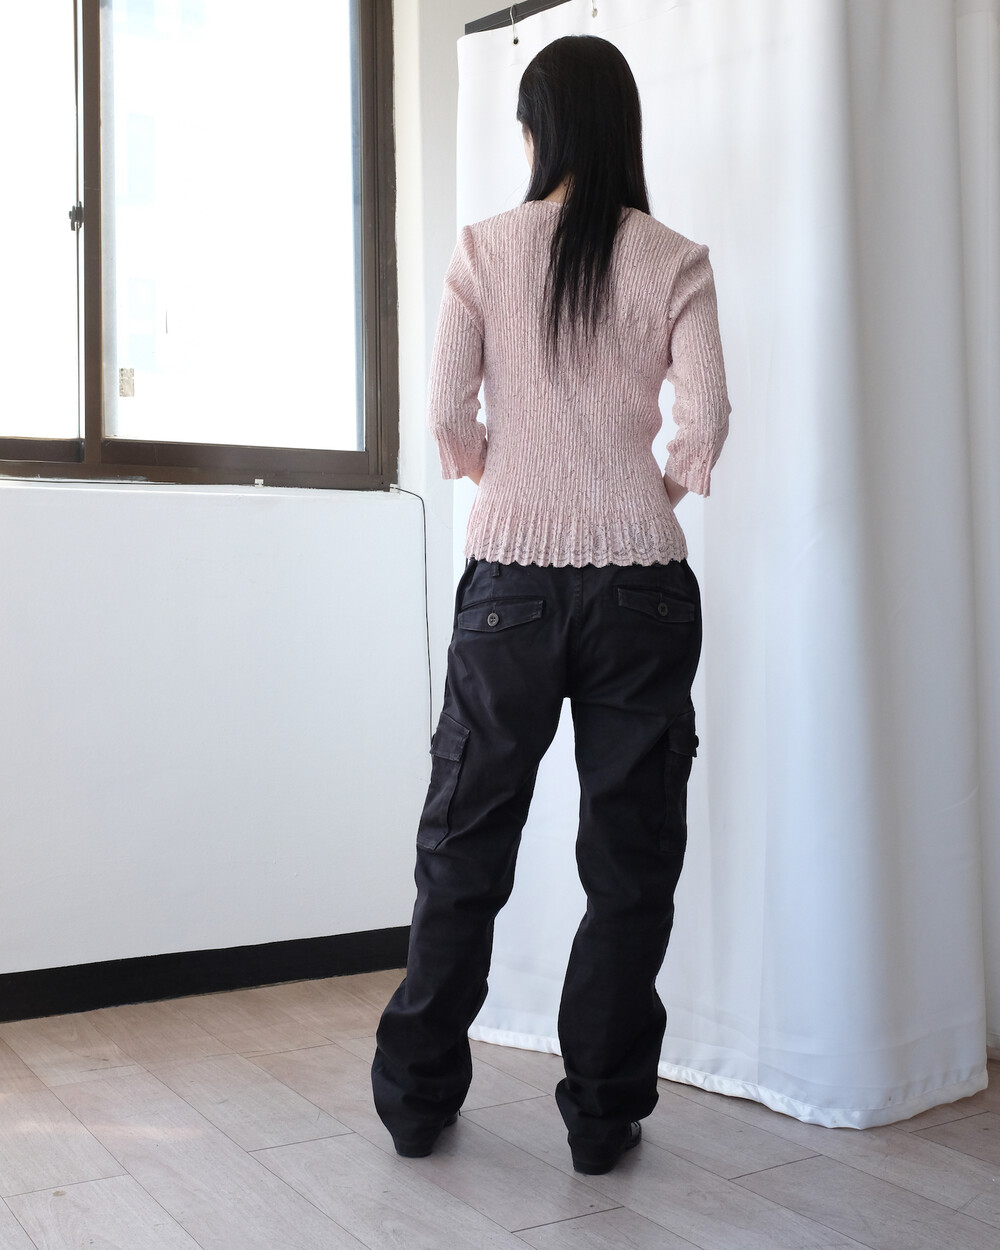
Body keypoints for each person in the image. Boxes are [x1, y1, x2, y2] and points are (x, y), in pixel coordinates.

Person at [371, 33, 731, 1176]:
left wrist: (503, 476)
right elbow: (705, 423)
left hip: (509, 594)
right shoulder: (674, 259)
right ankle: (600, 1118)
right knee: (630, 865)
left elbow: (445, 414)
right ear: (621, 128)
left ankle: (415, 1101)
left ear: (536, 132)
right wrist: (639, 495)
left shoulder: (486, 248)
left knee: (463, 844)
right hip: (643, 595)